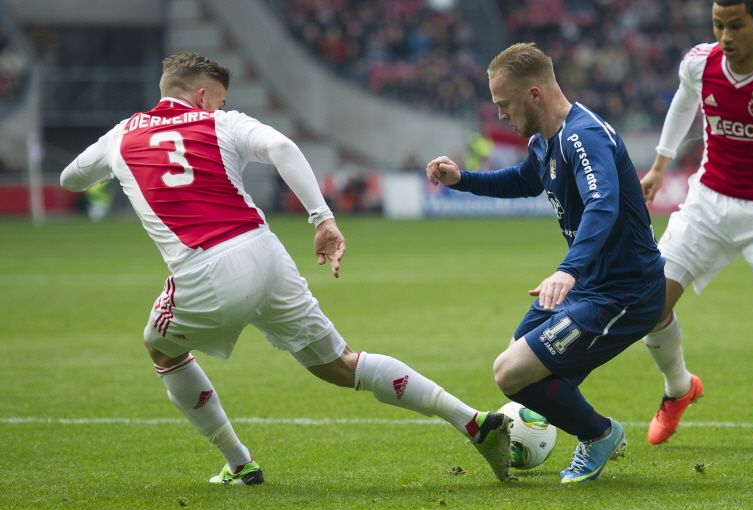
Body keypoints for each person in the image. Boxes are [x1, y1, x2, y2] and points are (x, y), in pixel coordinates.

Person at [60, 52, 512, 485]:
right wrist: (323, 219)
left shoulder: (122, 136)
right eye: (219, 100)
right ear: (201, 98)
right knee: (339, 364)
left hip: (205, 267)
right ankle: (472, 421)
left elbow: (69, 179)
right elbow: (280, 145)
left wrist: (110, 167)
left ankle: (240, 464)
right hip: (265, 252)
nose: (222, 107)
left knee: (161, 349)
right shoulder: (223, 123)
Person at [426, 42, 665, 483]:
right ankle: (565, 426)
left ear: (534, 94)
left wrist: (567, 270)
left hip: (626, 290)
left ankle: (600, 435)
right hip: (592, 282)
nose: (499, 115)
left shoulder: (583, 137)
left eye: (503, 104)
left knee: (512, 372)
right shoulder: (546, 140)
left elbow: (602, 204)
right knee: (522, 357)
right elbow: (523, 178)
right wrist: (463, 180)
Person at [639, 0, 753, 449]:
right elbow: (682, 103)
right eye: (717, 25)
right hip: (706, 204)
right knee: (648, 303)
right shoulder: (699, 63)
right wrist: (658, 165)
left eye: (735, 26)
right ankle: (678, 389)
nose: (725, 36)